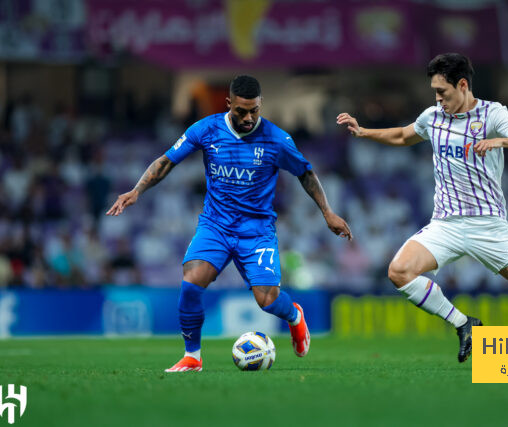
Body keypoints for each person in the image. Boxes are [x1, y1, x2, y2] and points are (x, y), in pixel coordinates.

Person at [337, 53, 508, 370]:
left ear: (463, 85)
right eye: (434, 92)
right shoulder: (433, 117)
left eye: (442, 91)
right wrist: (364, 132)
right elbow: (403, 135)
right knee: (399, 271)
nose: (437, 98)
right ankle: (463, 323)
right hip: (446, 225)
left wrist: (500, 141)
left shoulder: (492, 114)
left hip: (490, 226)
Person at [107, 75, 352, 372]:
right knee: (191, 283)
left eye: (254, 111)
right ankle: (192, 357)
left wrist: (328, 212)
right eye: (241, 111)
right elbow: (167, 161)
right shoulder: (206, 129)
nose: (248, 118)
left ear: (260, 105)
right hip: (216, 226)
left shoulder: (277, 139)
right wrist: (137, 190)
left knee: (267, 300)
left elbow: (306, 173)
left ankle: (295, 316)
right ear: (229, 104)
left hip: (257, 232)